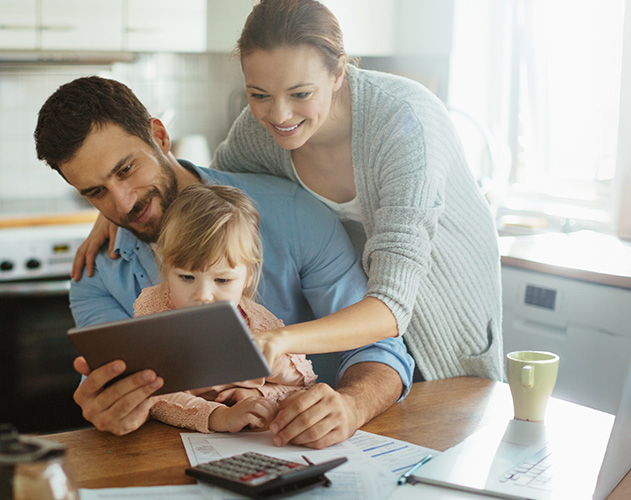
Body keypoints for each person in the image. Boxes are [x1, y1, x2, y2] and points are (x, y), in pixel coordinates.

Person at [72, 0, 504, 382]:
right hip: (361, 318)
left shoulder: (404, 124)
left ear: (338, 72)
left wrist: (277, 340)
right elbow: (209, 201)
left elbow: (392, 306)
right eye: (259, 94)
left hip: (443, 327)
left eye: (300, 93)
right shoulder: (260, 132)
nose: (279, 115)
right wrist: (119, 211)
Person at [34, 76, 414, 449]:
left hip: (310, 451)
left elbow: (379, 347)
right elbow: (124, 391)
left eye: (126, 169)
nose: (122, 203)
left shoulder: (293, 214)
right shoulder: (96, 275)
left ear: (160, 138)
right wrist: (114, 408)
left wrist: (351, 405)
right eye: (96, 192)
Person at [137, 183, 318, 434]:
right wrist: (219, 416)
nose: (203, 296)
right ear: (166, 268)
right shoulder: (155, 313)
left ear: (248, 278)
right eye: (186, 277)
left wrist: (258, 392)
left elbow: (302, 387)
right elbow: (152, 395)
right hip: (173, 443)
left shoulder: (260, 329)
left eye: (222, 280)